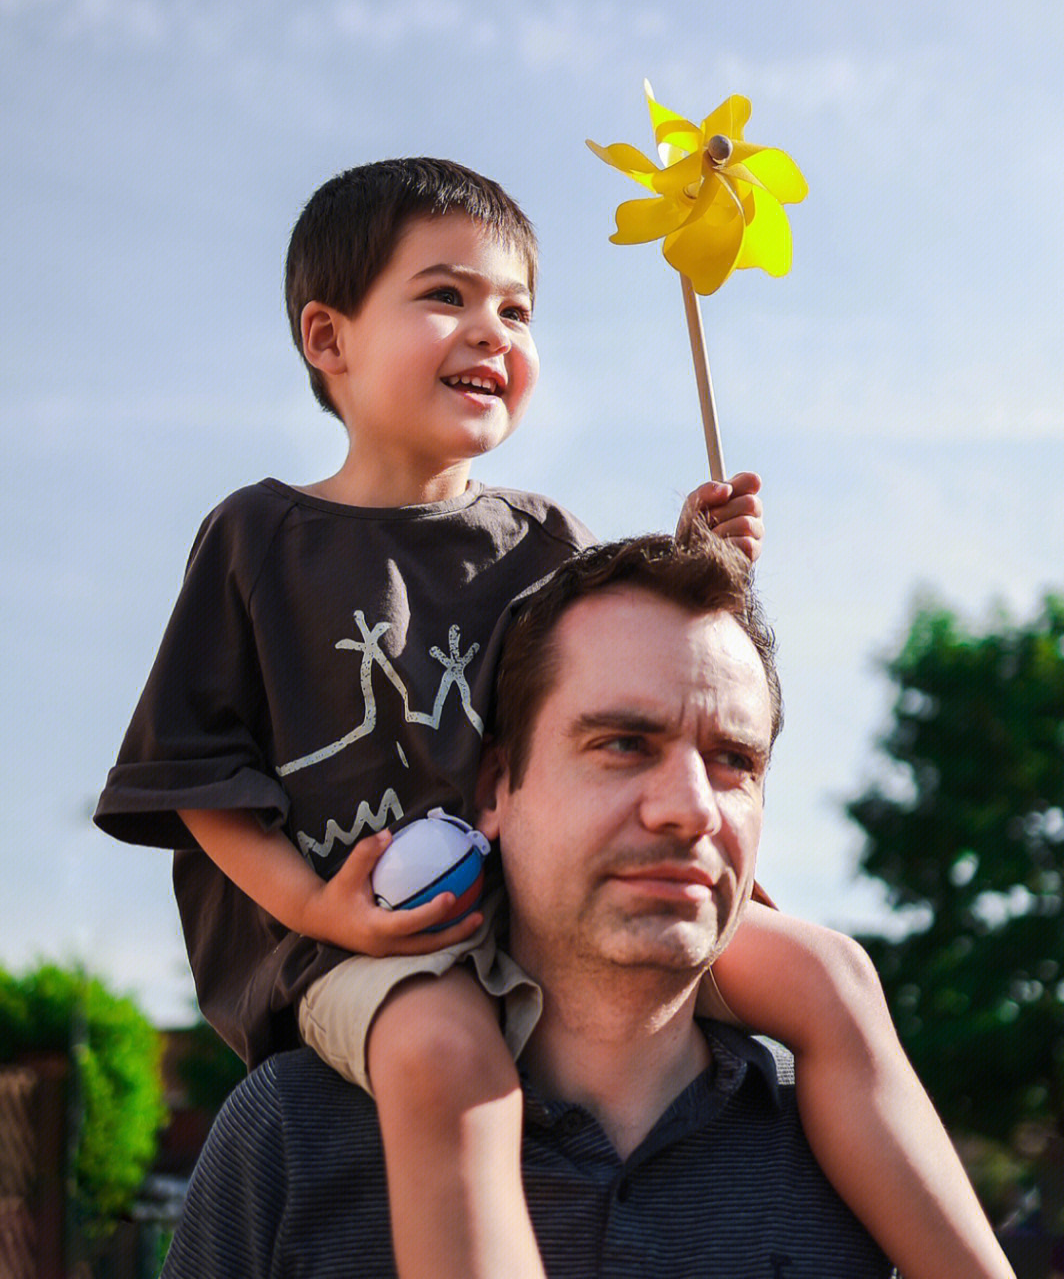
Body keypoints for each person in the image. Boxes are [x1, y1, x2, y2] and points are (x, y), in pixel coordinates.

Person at [97, 161, 1012, 1279]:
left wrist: (696, 551)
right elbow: (192, 775)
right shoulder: (256, 540)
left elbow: (609, 668)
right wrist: (322, 910)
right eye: (446, 296)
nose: (491, 331)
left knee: (832, 976)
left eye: (517, 310)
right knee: (447, 1050)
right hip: (370, 943)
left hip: (540, 909)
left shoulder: (540, 539)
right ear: (327, 339)